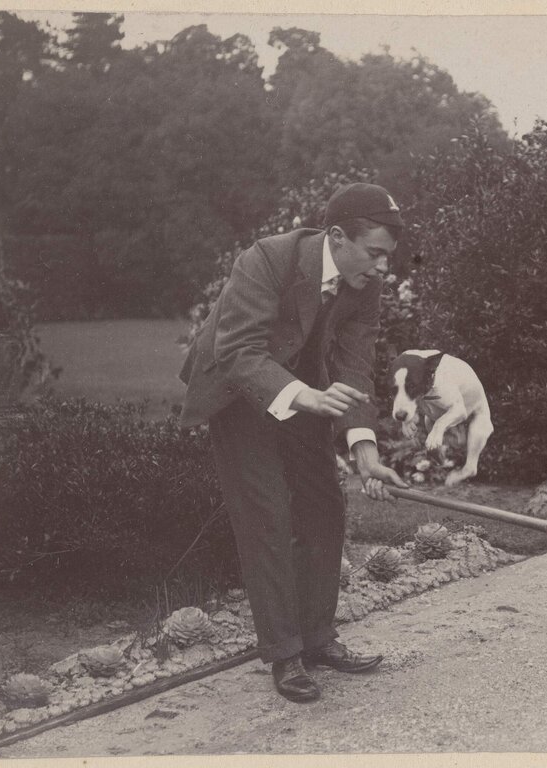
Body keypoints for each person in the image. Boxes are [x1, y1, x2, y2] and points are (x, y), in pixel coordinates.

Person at [178, 182, 409, 702]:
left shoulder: (364, 281)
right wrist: (304, 396)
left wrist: (364, 449)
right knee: (267, 518)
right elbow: (237, 351)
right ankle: (284, 654)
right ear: (336, 237)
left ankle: (319, 638)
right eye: (374, 253)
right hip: (238, 390)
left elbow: (354, 362)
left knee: (324, 508)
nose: (381, 268)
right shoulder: (266, 259)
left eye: (387, 257)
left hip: (305, 388)